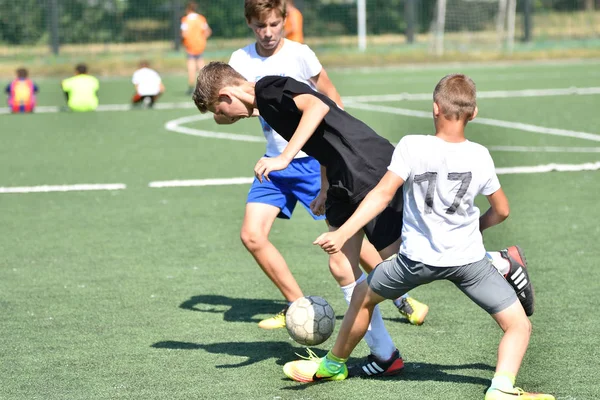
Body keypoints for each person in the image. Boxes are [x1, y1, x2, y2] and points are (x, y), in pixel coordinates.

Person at [192, 64, 536, 378]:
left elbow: (319, 107)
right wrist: (326, 185)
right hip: (342, 176)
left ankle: (497, 262)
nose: (223, 117)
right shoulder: (268, 102)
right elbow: (323, 132)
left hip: (365, 164)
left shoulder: (268, 87)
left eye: (219, 110)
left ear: (226, 94)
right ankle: (385, 354)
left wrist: (284, 156)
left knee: (405, 258)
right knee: (341, 265)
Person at [283, 74, 553, 400]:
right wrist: (475, 228)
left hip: (413, 262)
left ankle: (334, 364)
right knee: (518, 325)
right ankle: (501, 387)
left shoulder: (412, 145)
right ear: (474, 112)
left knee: (362, 297)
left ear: (435, 108)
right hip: (468, 263)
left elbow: (381, 196)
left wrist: (342, 233)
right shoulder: (480, 155)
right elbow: (502, 210)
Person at [222, 0, 429, 331]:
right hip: (273, 165)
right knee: (252, 235)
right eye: (261, 25)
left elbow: (330, 101)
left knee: (350, 240)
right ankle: (297, 305)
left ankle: (399, 296)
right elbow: (226, 113)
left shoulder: (300, 54)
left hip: (310, 161)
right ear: (249, 23)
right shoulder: (239, 61)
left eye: (274, 24)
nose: (268, 32)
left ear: (284, 21)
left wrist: (329, 163)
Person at [181, 1, 212, 95]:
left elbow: (183, 34)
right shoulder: (201, 19)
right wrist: (202, 38)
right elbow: (208, 31)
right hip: (200, 45)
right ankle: (206, 86)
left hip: (190, 45)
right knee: (201, 66)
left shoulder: (185, 20)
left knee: (191, 67)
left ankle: (191, 87)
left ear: (188, 9)